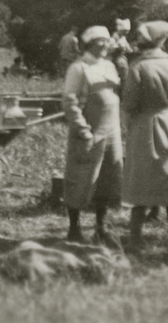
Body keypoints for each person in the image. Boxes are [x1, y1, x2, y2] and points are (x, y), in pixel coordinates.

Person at [121, 21, 168, 256]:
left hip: (145, 126)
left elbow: (129, 103)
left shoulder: (138, 67)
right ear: (163, 41)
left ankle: (135, 240)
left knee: (142, 180)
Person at [61, 26, 124, 244]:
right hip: (88, 131)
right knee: (80, 178)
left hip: (111, 131)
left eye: (108, 42)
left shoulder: (108, 65)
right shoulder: (78, 68)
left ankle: (101, 227)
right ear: (89, 44)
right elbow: (69, 102)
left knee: (107, 179)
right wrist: (82, 129)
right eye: (101, 42)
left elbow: (114, 93)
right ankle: (74, 229)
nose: (106, 45)